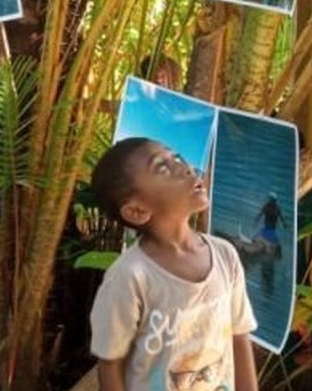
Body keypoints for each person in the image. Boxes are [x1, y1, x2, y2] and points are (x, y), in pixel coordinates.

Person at [89, 137, 257, 391]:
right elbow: (110, 365)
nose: (186, 168)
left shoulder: (225, 255)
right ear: (137, 211)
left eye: (177, 157)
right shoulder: (130, 277)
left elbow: (239, 336)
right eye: (163, 167)